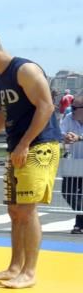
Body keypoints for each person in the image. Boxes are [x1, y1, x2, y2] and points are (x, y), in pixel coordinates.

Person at [0, 32, 62, 289]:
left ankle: (29, 272)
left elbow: (46, 106)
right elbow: (2, 116)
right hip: (18, 146)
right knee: (15, 211)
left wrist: (25, 143)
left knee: (27, 211)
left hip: (38, 146)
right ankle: (14, 267)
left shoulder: (25, 70)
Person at [60, 100, 83, 233]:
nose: (71, 110)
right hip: (75, 163)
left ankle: (79, 225)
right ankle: (80, 222)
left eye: (74, 108)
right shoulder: (69, 118)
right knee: (67, 192)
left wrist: (79, 138)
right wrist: (66, 137)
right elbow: (60, 132)